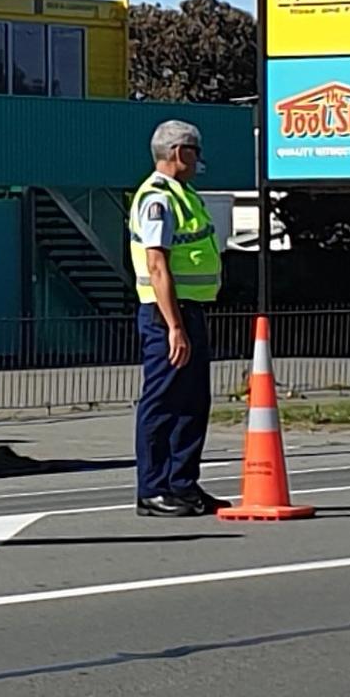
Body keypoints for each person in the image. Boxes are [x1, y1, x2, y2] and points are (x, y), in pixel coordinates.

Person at [128, 120, 224, 517]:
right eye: (195, 152)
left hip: (188, 309)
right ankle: (154, 488)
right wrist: (174, 327)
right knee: (164, 400)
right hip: (166, 313)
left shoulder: (185, 196)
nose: (198, 161)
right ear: (179, 153)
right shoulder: (158, 199)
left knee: (193, 401)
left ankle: (183, 484)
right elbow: (157, 265)